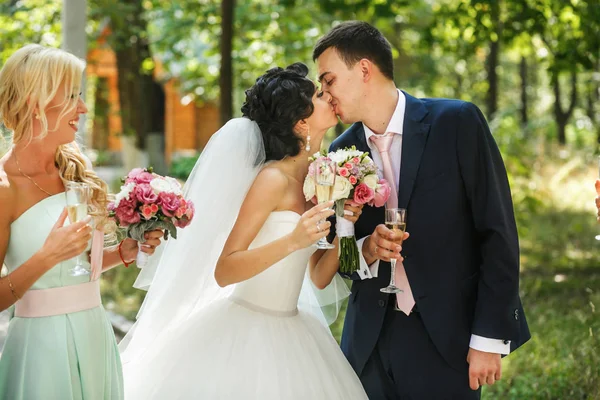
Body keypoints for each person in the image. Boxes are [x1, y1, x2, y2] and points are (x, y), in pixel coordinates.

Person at [119, 63, 371, 399]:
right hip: (244, 331)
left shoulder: (319, 179)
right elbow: (225, 270)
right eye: (319, 95)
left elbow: (320, 277)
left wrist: (346, 226)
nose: (329, 97)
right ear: (300, 122)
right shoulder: (272, 179)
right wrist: (292, 240)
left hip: (296, 333)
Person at [313, 21, 531, 398]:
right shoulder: (337, 154)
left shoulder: (457, 122)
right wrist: (365, 248)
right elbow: (342, 258)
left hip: (449, 341)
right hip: (368, 345)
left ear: (364, 69)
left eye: (329, 79)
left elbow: (497, 232)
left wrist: (489, 336)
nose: (324, 93)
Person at [0, 44, 162, 400]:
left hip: (94, 335)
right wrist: (46, 257)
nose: (84, 108)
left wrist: (124, 251)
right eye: (73, 96)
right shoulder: (4, 188)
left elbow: (77, 269)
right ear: (35, 101)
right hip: (41, 350)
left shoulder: (73, 172)